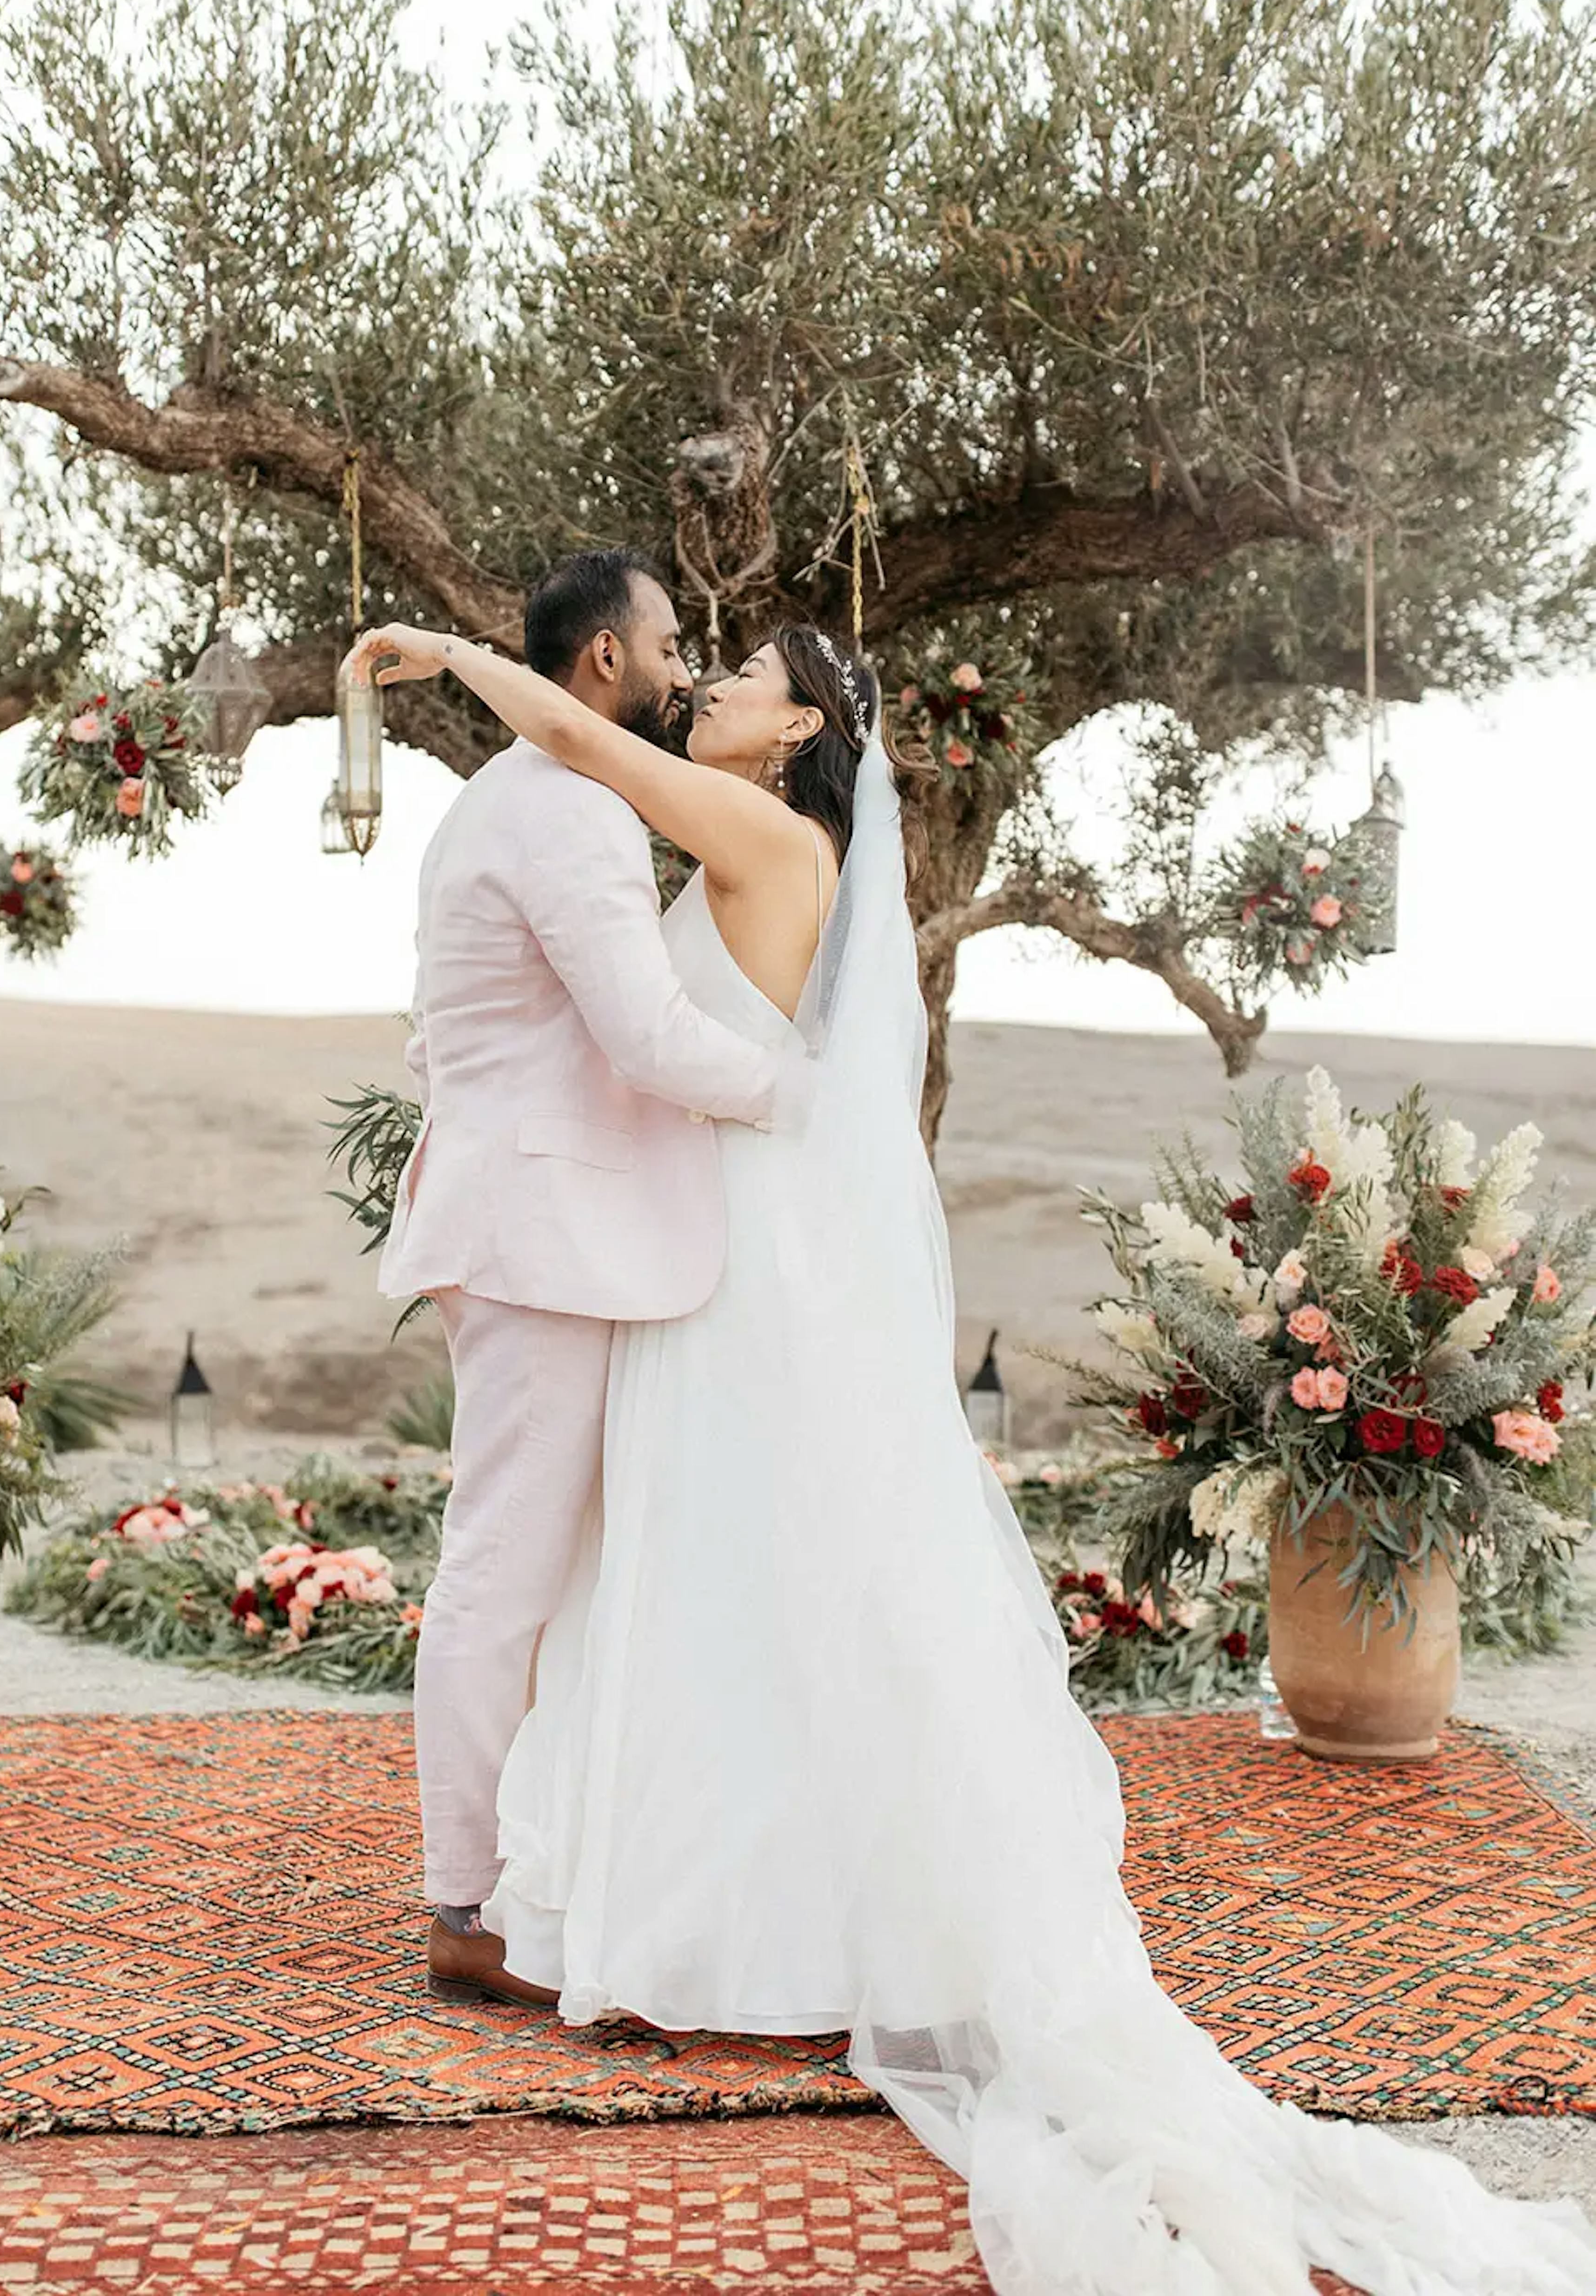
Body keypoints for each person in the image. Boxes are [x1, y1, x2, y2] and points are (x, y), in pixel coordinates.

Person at [352, 604, 1596, 2296]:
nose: (705, 688)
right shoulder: (777, 840)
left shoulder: (759, 833)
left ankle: (745, 1927)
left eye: (741, 685)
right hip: (732, 1254)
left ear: (794, 736)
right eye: (695, 673)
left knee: (731, 1580)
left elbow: (579, 746)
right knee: (752, 1585)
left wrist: (444, 653)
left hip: (747, 1271)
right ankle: (749, 1910)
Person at [372, 549, 782, 2008]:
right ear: (603, 661)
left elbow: (448, 1044)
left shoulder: (513, 800)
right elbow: (649, 1040)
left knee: (550, 1568)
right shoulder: (571, 817)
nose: (687, 669)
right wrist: (804, 1100)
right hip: (541, 1246)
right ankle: (464, 1902)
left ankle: (540, 1863)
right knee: (504, 1568)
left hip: (537, 1228)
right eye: (672, 646)